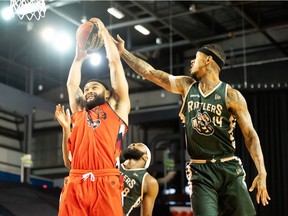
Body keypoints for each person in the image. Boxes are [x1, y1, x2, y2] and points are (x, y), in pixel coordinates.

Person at [114, 38, 271, 215]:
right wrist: (123, 53)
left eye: (195, 58)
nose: (191, 62)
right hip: (200, 172)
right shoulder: (187, 86)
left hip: (229, 169)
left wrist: (262, 172)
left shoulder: (231, 95)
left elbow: (250, 135)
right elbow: (151, 73)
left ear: (208, 60)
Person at [58, 18, 130, 216]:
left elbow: (114, 64)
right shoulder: (79, 112)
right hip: (76, 179)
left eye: (94, 87)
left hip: (106, 179)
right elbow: (72, 86)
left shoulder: (116, 107)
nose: (88, 90)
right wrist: (78, 57)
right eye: (87, 88)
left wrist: (104, 32)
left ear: (106, 93)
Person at [55, 105, 158, 216]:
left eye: (139, 145)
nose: (133, 144)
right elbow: (71, 162)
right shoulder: (112, 163)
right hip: (91, 201)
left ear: (145, 157)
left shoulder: (149, 181)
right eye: (134, 143)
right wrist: (66, 129)